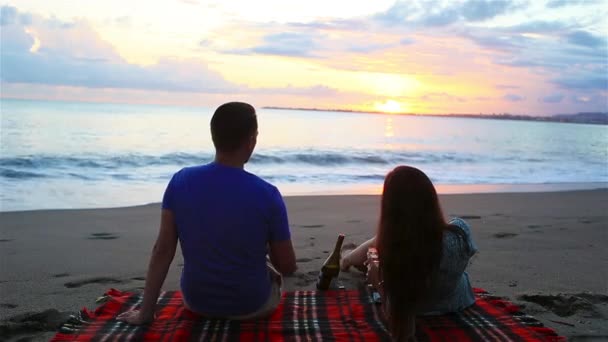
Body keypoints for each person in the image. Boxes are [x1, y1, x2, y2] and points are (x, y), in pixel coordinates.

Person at [117, 102, 297, 324]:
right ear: (251, 141)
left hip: (196, 302)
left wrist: (145, 313)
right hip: (251, 305)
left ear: (214, 137)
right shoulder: (268, 194)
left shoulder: (180, 182)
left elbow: (162, 250)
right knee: (270, 271)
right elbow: (288, 266)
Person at [340, 165, 478, 341]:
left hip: (415, 307)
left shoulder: (397, 255)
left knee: (382, 241)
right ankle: (348, 258)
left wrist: (377, 280)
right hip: (455, 301)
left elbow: (396, 314)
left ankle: (347, 259)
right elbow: (463, 250)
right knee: (386, 241)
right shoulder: (460, 233)